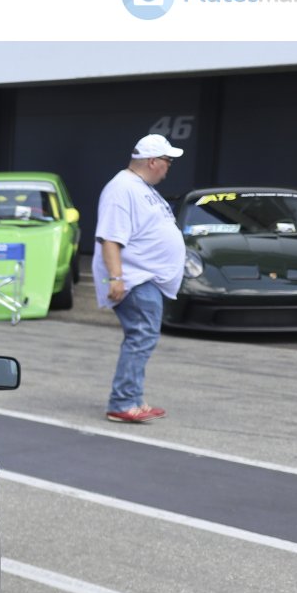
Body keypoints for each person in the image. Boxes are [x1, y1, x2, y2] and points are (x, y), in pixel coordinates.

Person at [93, 133, 186, 424]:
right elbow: (110, 237)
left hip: (145, 278)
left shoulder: (138, 187)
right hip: (135, 278)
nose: (169, 167)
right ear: (153, 161)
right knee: (141, 337)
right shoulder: (122, 188)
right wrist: (116, 278)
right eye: (168, 161)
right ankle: (122, 402)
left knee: (142, 337)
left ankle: (132, 399)